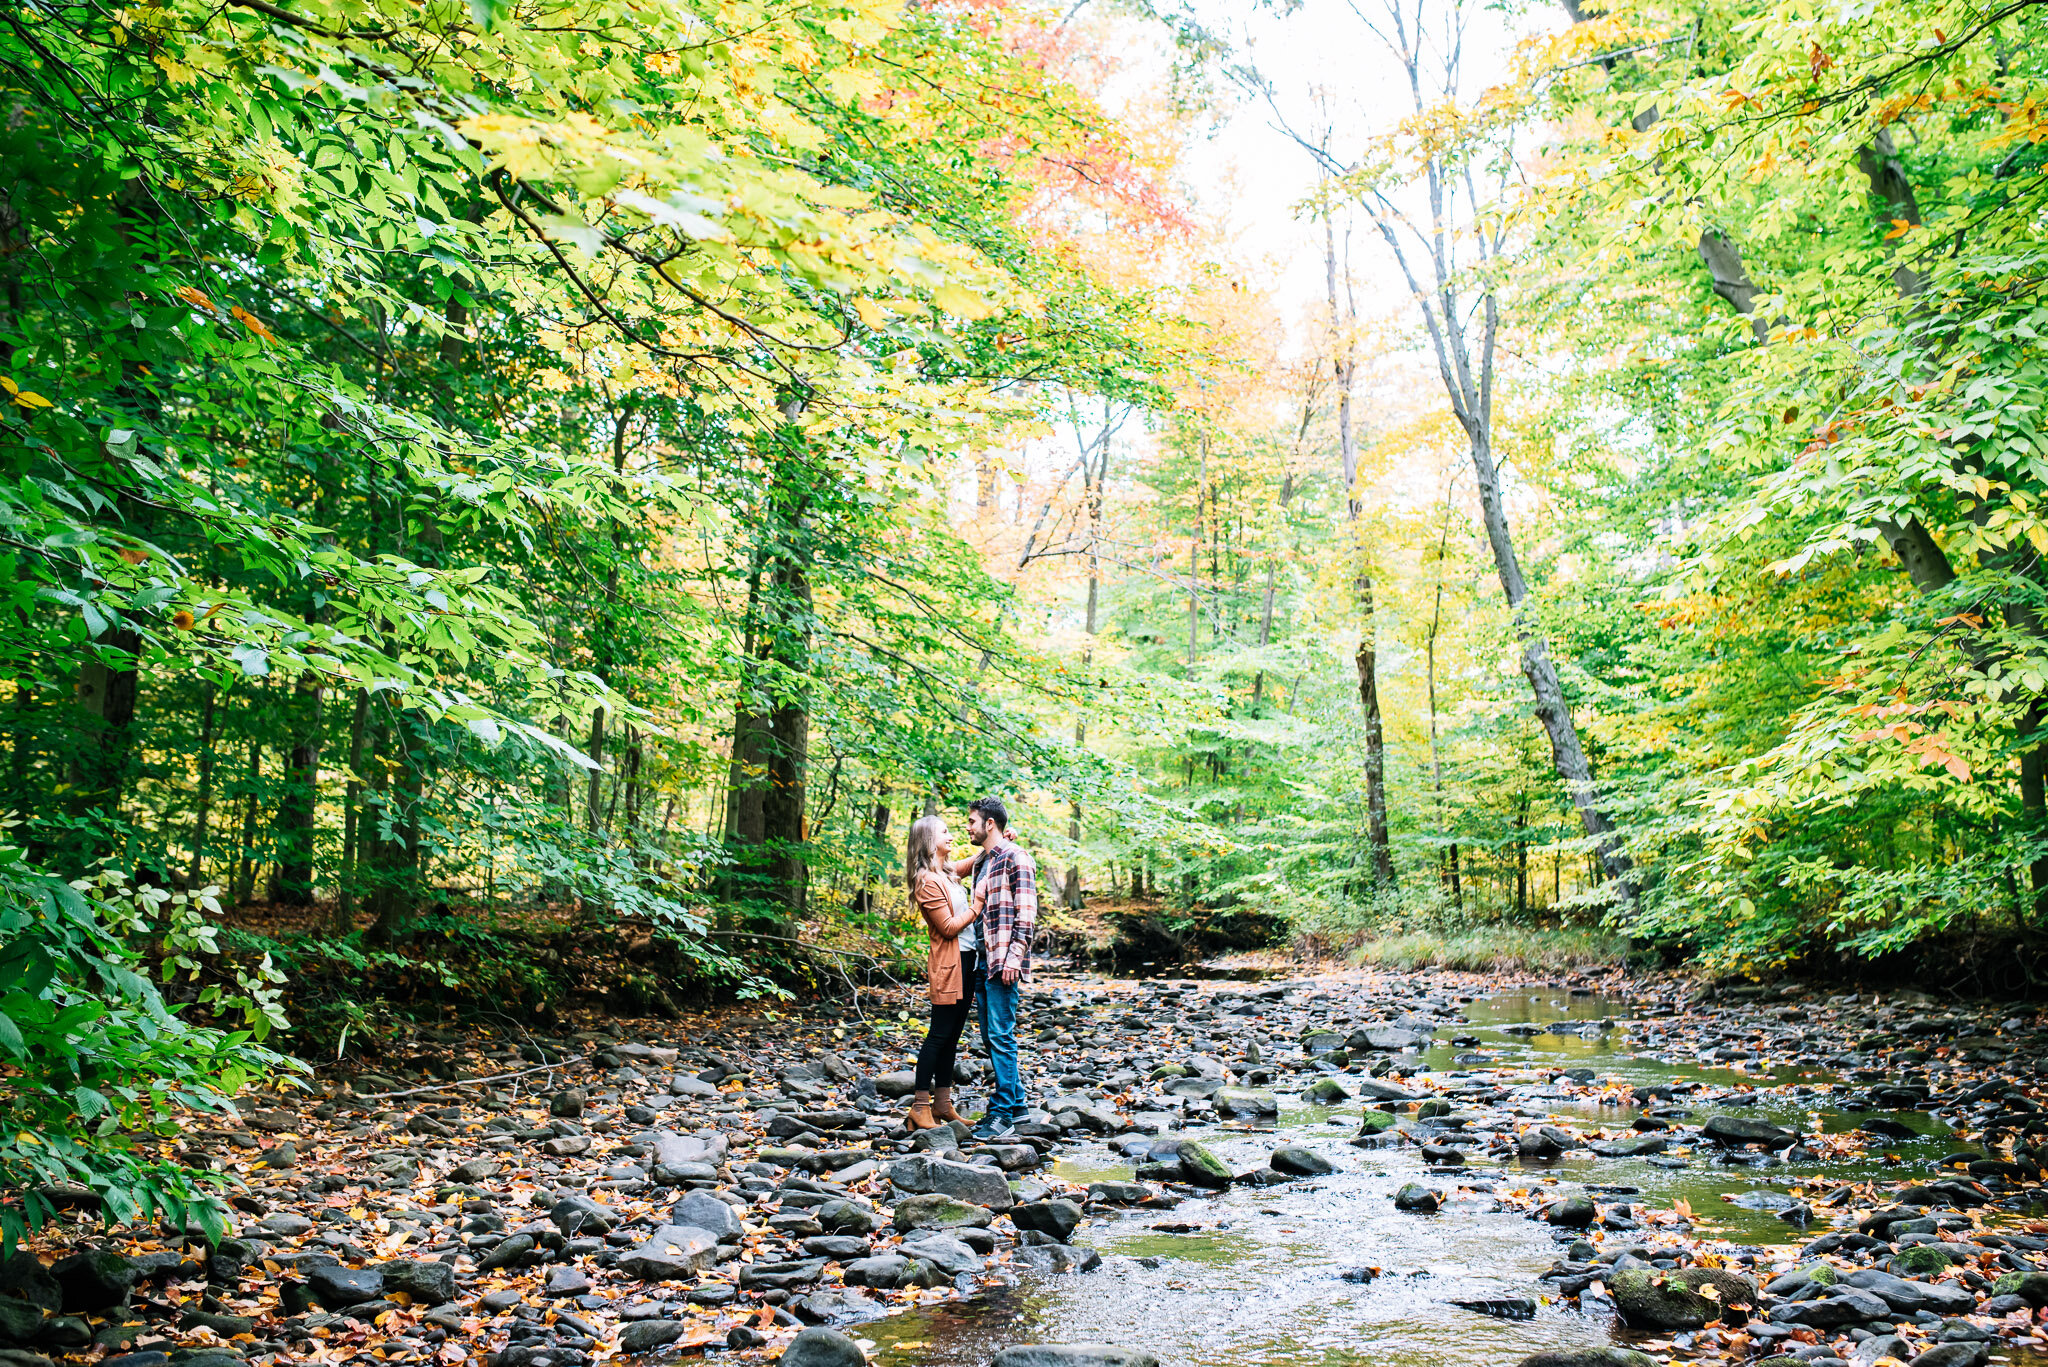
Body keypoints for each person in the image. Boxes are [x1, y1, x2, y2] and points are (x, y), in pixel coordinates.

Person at [953, 795, 1036, 1140]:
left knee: (1001, 1035)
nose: (967, 827)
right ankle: (1018, 1105)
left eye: (972, 821)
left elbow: (1027, 915)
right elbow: (946, 870)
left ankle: (1002, 1114)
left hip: (1003, 960)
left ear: (989, 824)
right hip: (982, 962)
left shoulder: (1019, 859)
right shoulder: (982, 861)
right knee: (990, 1035)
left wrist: (1014, 958)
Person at [904, 814, 977, 1131]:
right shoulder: (926, 881)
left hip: (968, 960)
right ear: (928, 841)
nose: (952, 835)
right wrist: (978, 906)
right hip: (950, 965)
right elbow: (947, 928)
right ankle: (920, 1107)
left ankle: (943, 1105)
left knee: (953, 1037)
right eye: (944, 832)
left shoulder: (945, 873)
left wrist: (999, 843)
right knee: (939, 1036)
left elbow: (972, 862)